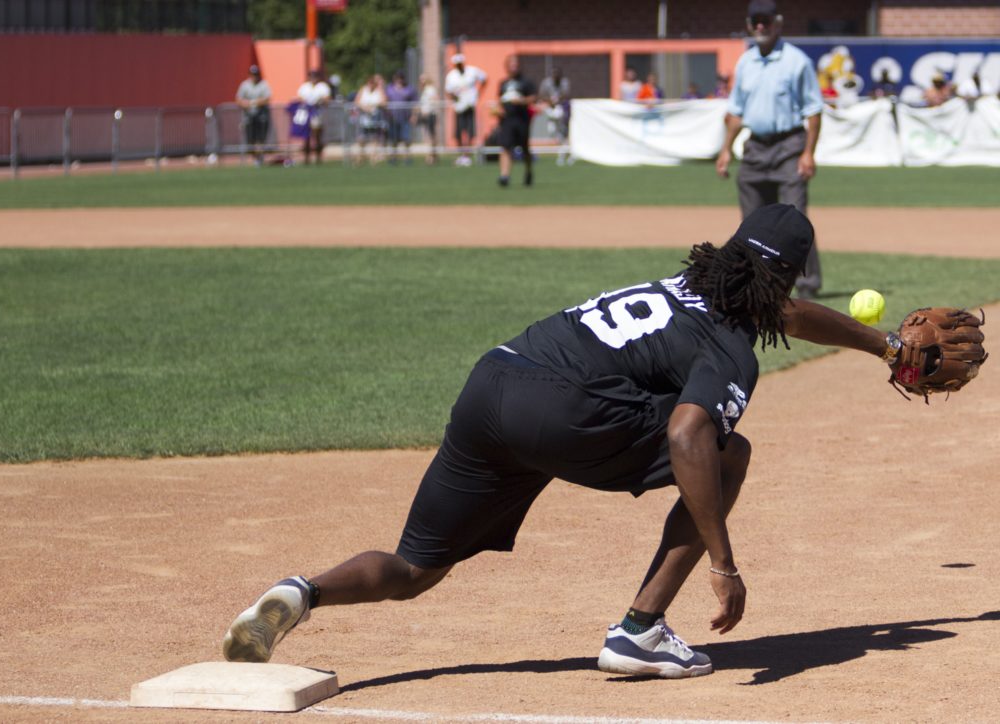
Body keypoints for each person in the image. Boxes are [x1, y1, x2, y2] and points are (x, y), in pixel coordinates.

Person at [222, 204, 907, 679]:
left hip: (492, 384)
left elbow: (783, 313)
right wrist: (724, 564)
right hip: (564, 414)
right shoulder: (732, 348)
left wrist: (884, 345)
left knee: (416, 570)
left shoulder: (682, 285)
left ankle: (301, 592)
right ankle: (641, 630)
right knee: (726, 450)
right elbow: (689, 432)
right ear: (787, 277)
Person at [715, 0, 824, 300]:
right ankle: (755, 283)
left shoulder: (796, 61)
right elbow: (736, 112)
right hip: (754, 148)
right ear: (750, 25)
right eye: (755, 21)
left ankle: (807, 284)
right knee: (752, 221)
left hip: (789, 145)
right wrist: (725, 150)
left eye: (765, 20)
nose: (760, 26)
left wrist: (808, 153)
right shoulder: (745, 62)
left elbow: (814, 110)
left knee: (796, 218)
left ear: (778, 23)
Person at [494, 55, 536, 188]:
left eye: (516, 64)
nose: (514, 67)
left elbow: (533, 98)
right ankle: (504, 176)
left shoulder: (526, 82)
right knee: (505, 147)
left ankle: (528, 171)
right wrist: (498, 110)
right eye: (511, 64)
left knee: (524, 148)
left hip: (522, 118)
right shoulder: (503, 83)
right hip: (507, 120)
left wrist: (522, 101)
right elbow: (499, 100)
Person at [444, 53, 487, 167]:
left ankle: (467, 155)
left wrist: (479, 93)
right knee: (458, 132)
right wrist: (454, 98)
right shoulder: (451, 75)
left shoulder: (472, 71)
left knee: (470, 132)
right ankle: (461, 155)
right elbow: (448, 91)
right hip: (459, 107)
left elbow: (484, 78)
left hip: (470, 105)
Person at [235, 64, 272, 167]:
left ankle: (259, 159)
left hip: (261, 117)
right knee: (250, 139)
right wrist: (245, 104)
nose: (254, 76)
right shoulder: (245, 85)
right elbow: (238, 99)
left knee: (260, 139)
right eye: (252, 74)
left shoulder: (263, 84)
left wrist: (253, 102)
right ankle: (256, 158)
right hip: (249, 117)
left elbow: (267, 98)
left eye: (256, 74)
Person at [295, 69, 332, 164]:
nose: (313, 78)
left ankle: (318, 158)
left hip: (317, 113)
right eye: (311, 76)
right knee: (306, 136)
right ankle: (306, 158)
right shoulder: (305, 87)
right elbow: (299, 98)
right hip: (306, 114)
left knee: (317, 135)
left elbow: (327, 99)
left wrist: (319, 100)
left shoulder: (322, 87)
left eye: (315, 76)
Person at [538, 67, 571, 164]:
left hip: (561, 107)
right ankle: (565, 149)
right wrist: (549, 101)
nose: (556, 77)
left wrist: (557, 100)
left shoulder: (564, 82)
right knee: (551, 131)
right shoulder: (546, 83)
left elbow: (566, 94)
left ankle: (562, 154)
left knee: (562, 130)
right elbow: (541, 95)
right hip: (550, 108)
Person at [385, 70, 418, 164]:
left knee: (406, 139)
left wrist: (414, 115)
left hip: (405, 118)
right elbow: (385, 100)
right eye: (397, 78)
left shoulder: (409, 89)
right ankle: (393, 158)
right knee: (393, 139)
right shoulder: (389, 88)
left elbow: (415, 103)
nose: (399, 80)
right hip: (393, 118)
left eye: (401, 78)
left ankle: (407, 158)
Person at [354, 74, 387, 165]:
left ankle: (373, 158)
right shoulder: (363, 90)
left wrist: (374, 105)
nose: (371, 84)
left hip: (375, 117)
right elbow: (356, 101)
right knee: (361, 138)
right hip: (364, 117)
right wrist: (365, 107)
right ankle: (359, 157)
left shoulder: (379, 91)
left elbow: (384, 102)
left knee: (374, 138)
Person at [414, 74, 440, 165]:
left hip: (430, 114)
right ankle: (431, 155)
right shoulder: (424, 90)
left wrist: (430, 109)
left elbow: (435, 99)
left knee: (430, 136)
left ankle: (431, 156)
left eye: (423, 79)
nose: (421, 81)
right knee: (428, 135)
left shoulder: (430, 89)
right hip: (425, 115)